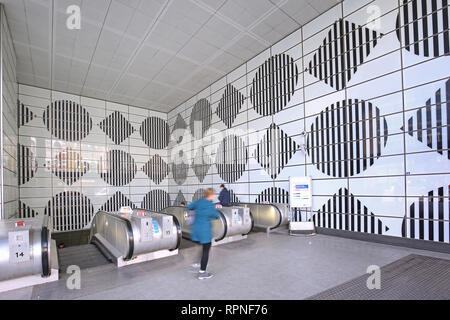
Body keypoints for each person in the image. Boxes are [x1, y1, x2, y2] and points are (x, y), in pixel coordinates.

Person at [187, 188, 220, 280]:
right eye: (213, 195)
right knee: (206, 250)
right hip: (205, 231)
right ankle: (202, 272)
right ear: (210, 195)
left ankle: (196, 264)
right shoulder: (210, 205)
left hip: (196, 230)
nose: (214, 196)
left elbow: (189, 207)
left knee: (201, 247)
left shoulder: (199, 201)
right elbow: (216, 216)